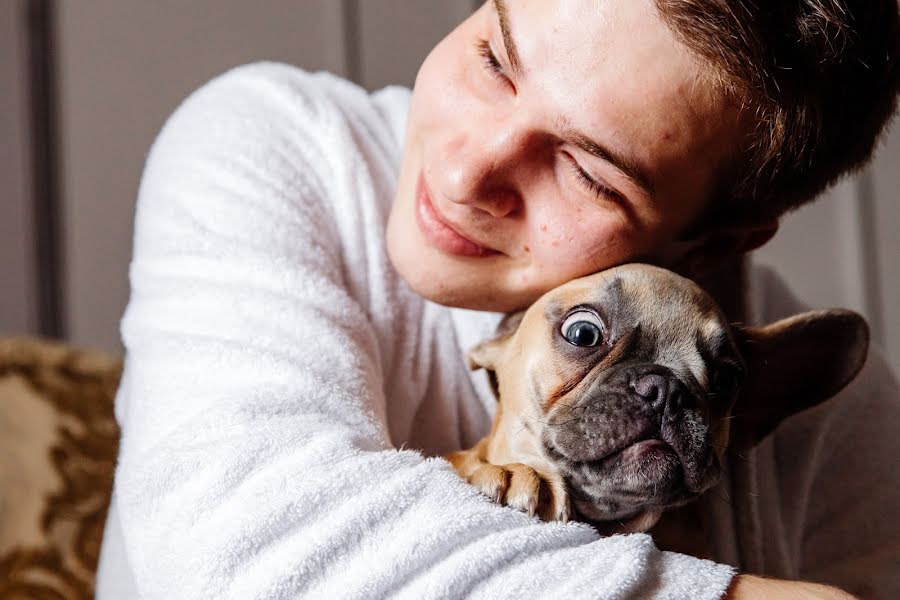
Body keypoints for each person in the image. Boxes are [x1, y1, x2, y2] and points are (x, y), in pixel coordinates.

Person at [96, 1, 900, 598]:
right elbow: (241, 555)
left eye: (589, 173)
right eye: (494, 58)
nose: (461, 174)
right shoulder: (279, 147)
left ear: (717, 243)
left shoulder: (824, 411)